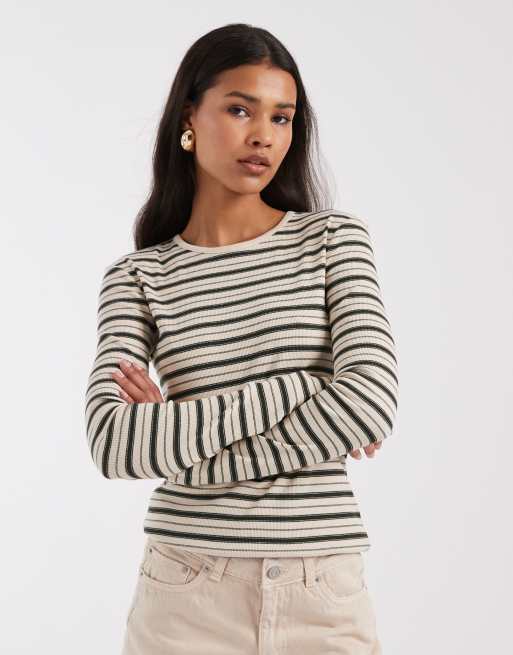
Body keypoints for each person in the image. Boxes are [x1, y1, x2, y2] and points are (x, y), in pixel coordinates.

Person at [84, 22, 399, 655]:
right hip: (185, 590)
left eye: (282, 117)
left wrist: (183, 448)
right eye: (239, 109)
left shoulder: (335, 242)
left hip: (322, 589)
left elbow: (369, 403)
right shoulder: (138, 277)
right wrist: (305, 388)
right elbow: (114, 443)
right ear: (189, 117)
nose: (263, 135)